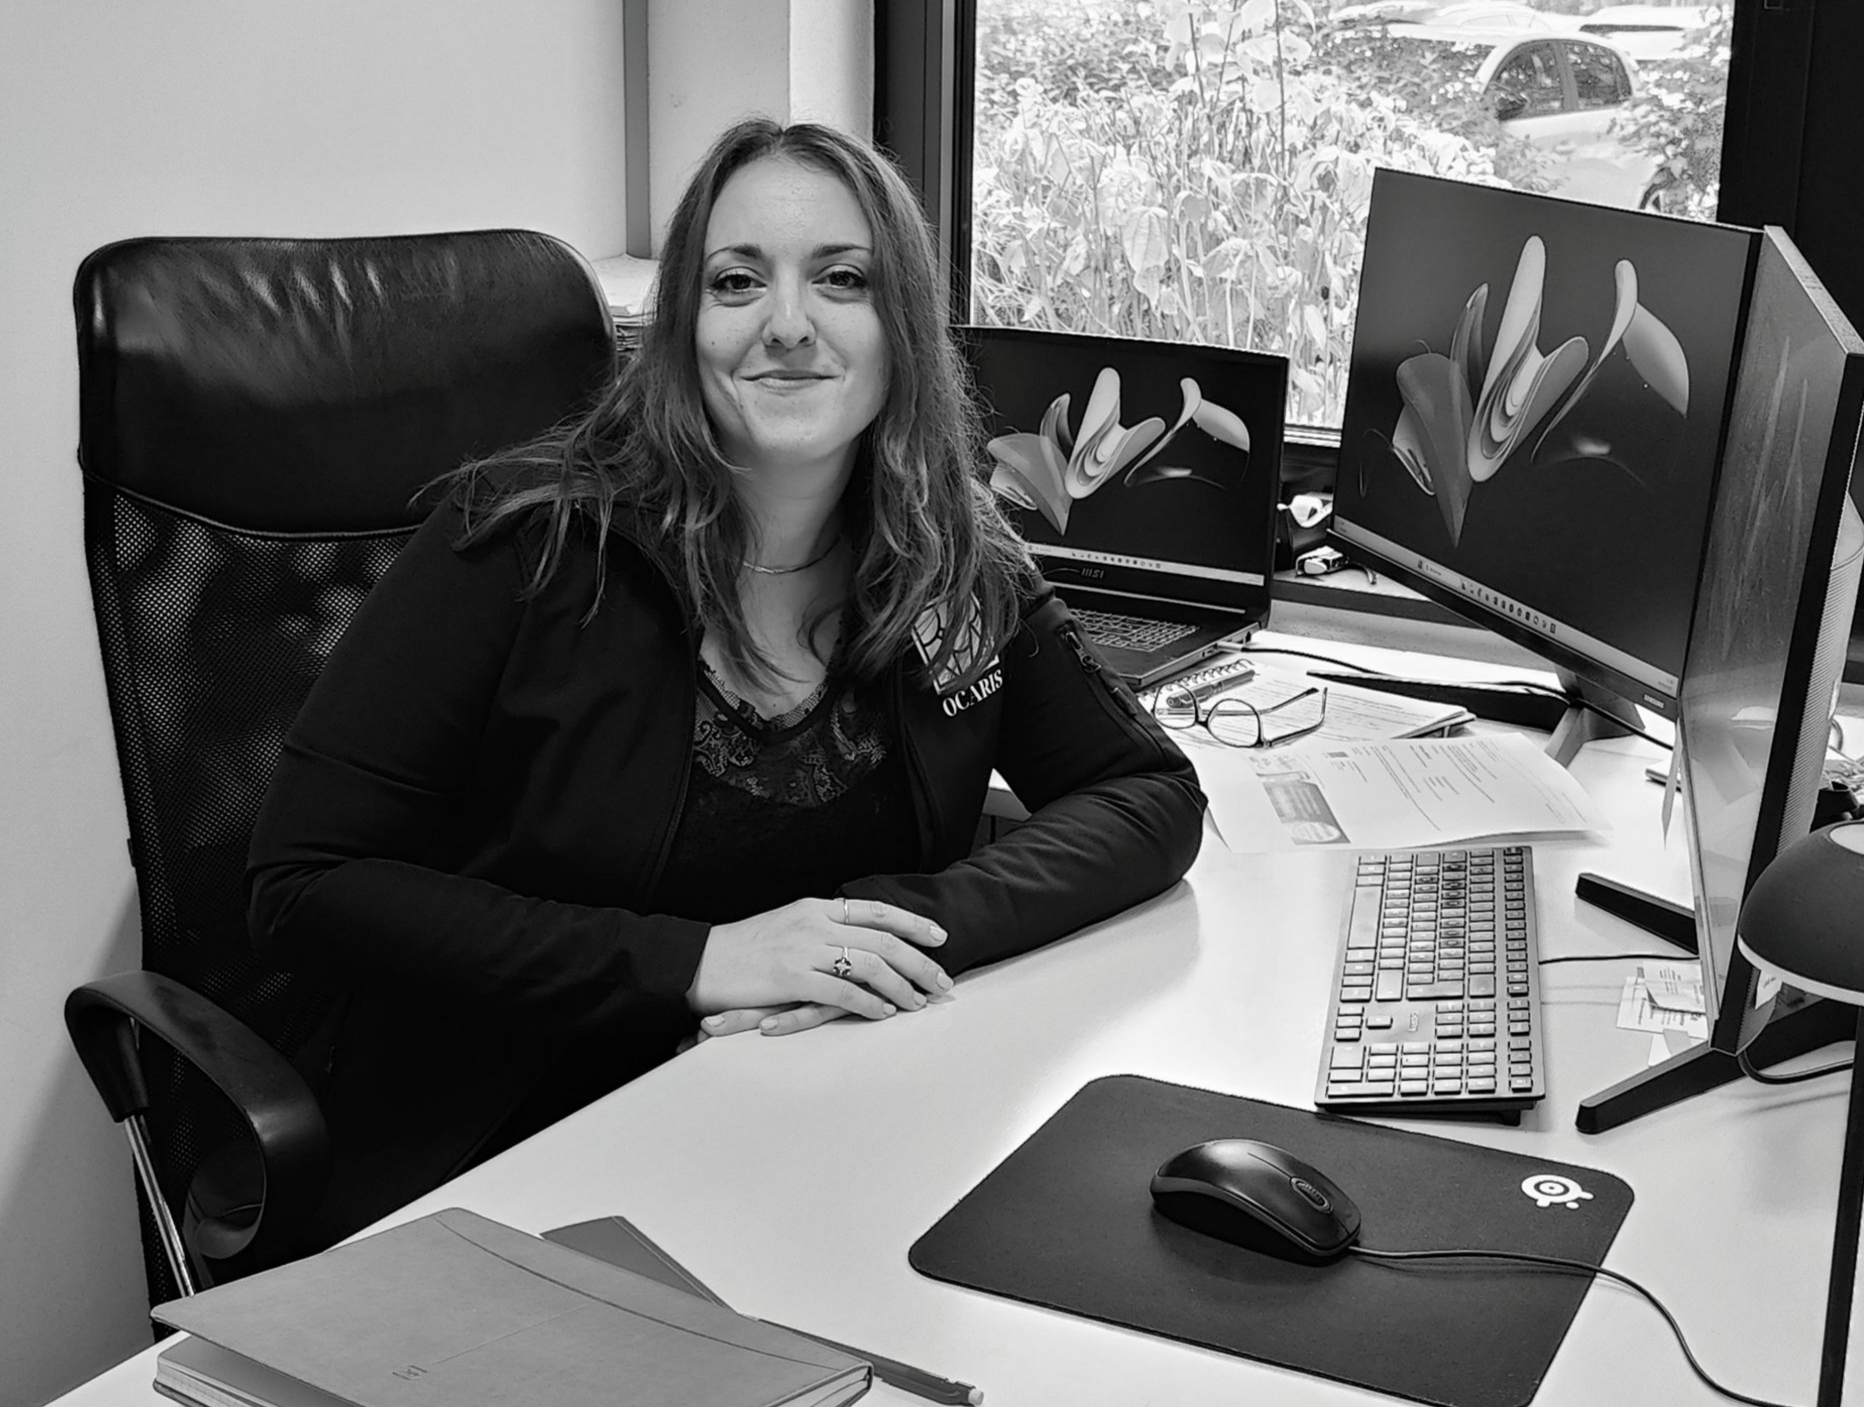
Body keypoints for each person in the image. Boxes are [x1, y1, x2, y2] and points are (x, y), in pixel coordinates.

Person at [245, 117, 1206, 1246]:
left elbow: (1148, 796)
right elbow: (304, 882)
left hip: (819, 1124)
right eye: (738, 281)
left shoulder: (945, 552)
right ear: (684, 331)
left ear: (901, 328)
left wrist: (892, 926)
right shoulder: (522, 544)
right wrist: (700, 961)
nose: (788, 325)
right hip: (513, 1151)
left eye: (841, 280)